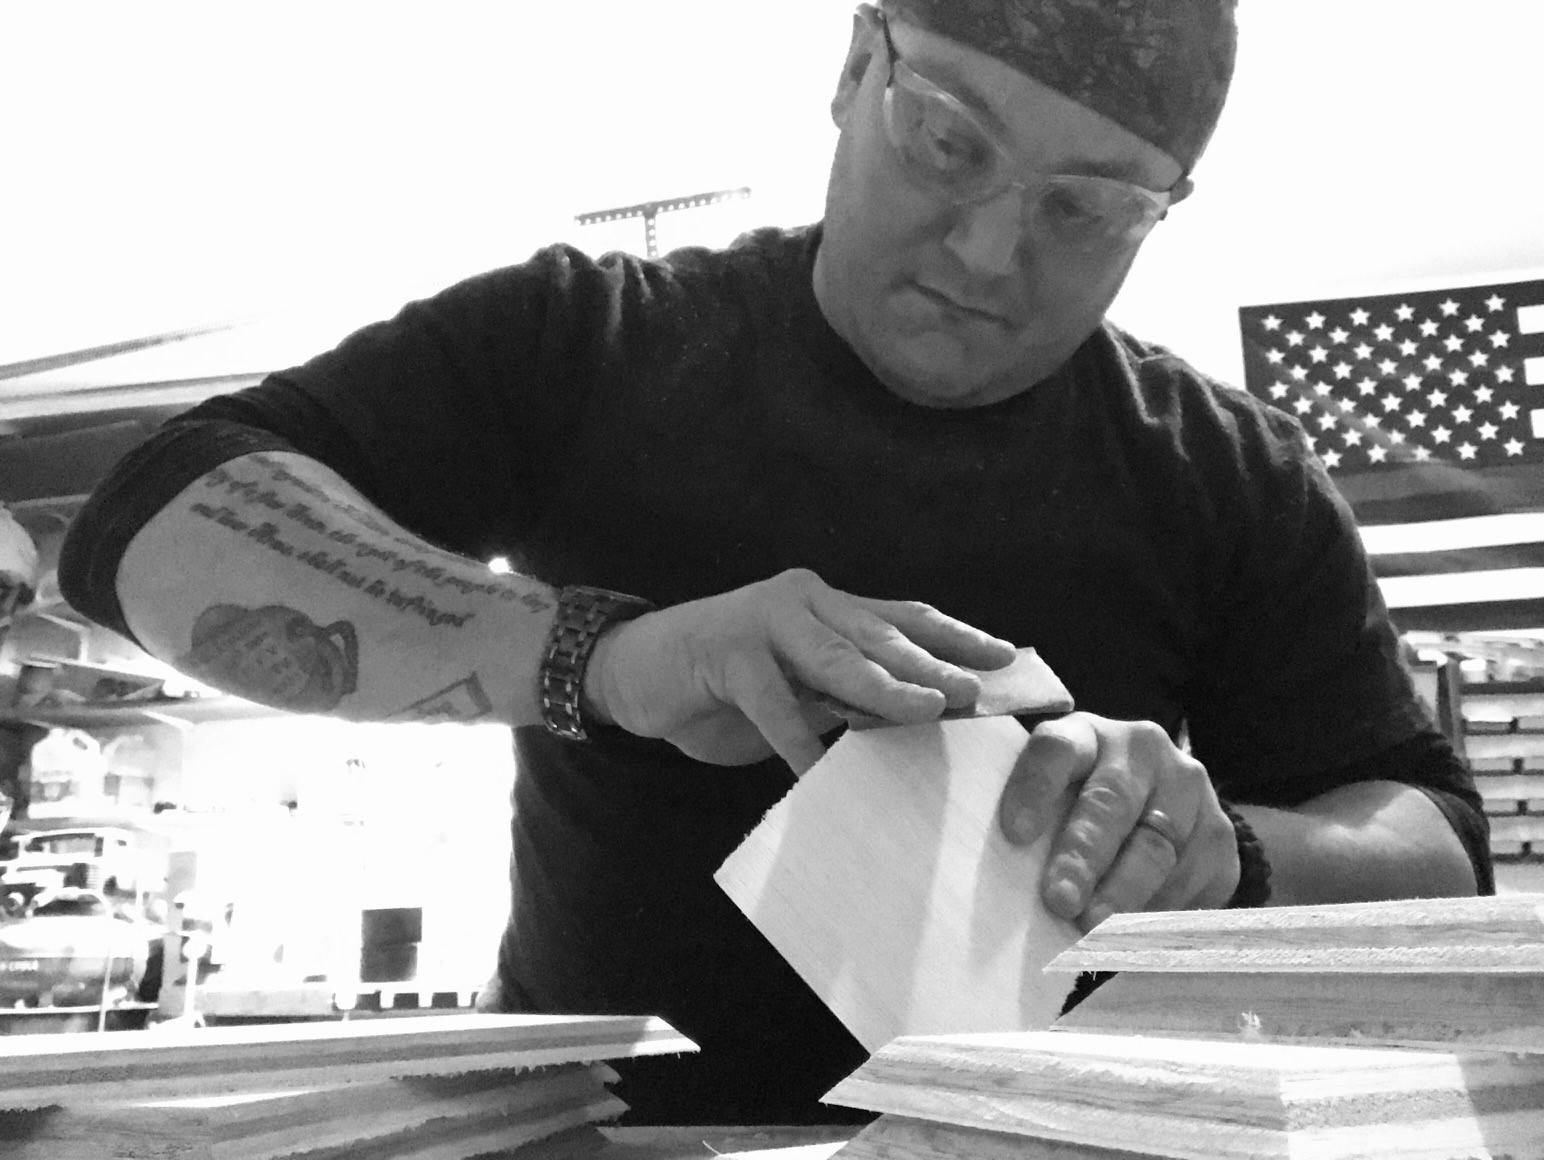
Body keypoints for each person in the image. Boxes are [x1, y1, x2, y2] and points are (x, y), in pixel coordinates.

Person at [60, 0, 1488, 1125]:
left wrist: (1226, 855)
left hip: (1056, 1139)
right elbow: (148, 528)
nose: (991, 251)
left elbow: (1435, 844)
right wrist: (604, 657)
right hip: (610, 1139)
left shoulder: (1231, 472)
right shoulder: (588, 343)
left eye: (1088, 207)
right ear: (856, 67)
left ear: (1165, 206)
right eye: (949, 141)